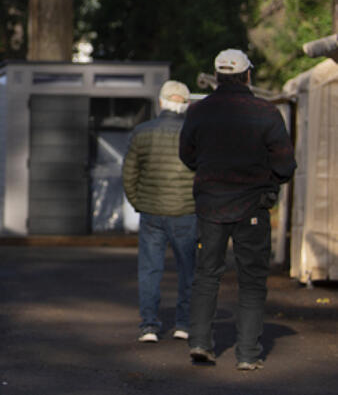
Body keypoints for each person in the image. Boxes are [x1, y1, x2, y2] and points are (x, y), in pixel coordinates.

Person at [179, 49, 296, 371]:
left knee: (206, 275)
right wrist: (267, 181)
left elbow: (187, 154)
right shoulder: (266, 112)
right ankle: (247, 354)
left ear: (217, 77)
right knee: (252, 281)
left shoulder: (198, 112)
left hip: (210, 204)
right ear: (247, 75)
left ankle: (200, 342)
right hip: (252, 206)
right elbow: (285, 164)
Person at [122, 79, 197, 343]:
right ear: (186, 104)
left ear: (161, 102)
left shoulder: (142, 131)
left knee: (150, 270)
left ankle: (149, 326)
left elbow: (129, 173)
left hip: (151, 212)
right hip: (187, 212)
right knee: (188, 271)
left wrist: (138, 202)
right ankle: (184, 325)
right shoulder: (194, 133)